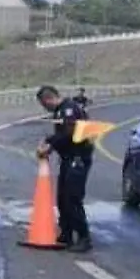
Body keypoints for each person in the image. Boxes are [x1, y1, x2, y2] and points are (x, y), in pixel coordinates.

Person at [36, 85, 94, 252]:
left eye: (43, 104)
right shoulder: (62, 110)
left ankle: (84, 237)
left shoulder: (68, 110)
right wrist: (49, 140)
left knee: (72, 198)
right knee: (62, 198)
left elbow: (68, 134)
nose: (44, 108)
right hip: (68, 159)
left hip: (78, 159)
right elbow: (61, 134)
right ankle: (66, 233)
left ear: (48, 99)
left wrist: (49, 146)